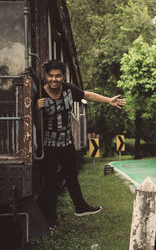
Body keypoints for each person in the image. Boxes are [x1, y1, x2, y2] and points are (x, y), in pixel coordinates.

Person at [36, 60, 126, 226]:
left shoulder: (69, 89)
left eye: (58, 76)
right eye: (50, 76)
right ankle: (49, 217)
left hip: (67, 142)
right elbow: (35, 123)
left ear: (63, 76)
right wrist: (36, 108)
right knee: (50, 181)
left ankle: (80, 207)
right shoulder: (39, 93)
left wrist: (109, 101)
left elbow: (87, 95)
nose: (54, 79)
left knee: (71, 175)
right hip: (49, 145)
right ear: (45, 76)